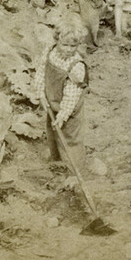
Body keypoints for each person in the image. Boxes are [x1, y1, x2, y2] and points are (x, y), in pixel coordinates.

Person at [37, 17, 90, 175]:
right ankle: (58, 163)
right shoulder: (50, 52)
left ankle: (75, 172)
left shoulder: (76, 66)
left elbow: (71, 97)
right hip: (52, 102)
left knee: (70, 138)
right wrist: (41, 93)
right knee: (53, 133)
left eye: (73, 46)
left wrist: (63, 115)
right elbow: (41, 71)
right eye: (64, 44)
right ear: (57, 40)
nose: (68, 49)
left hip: (69, 109)